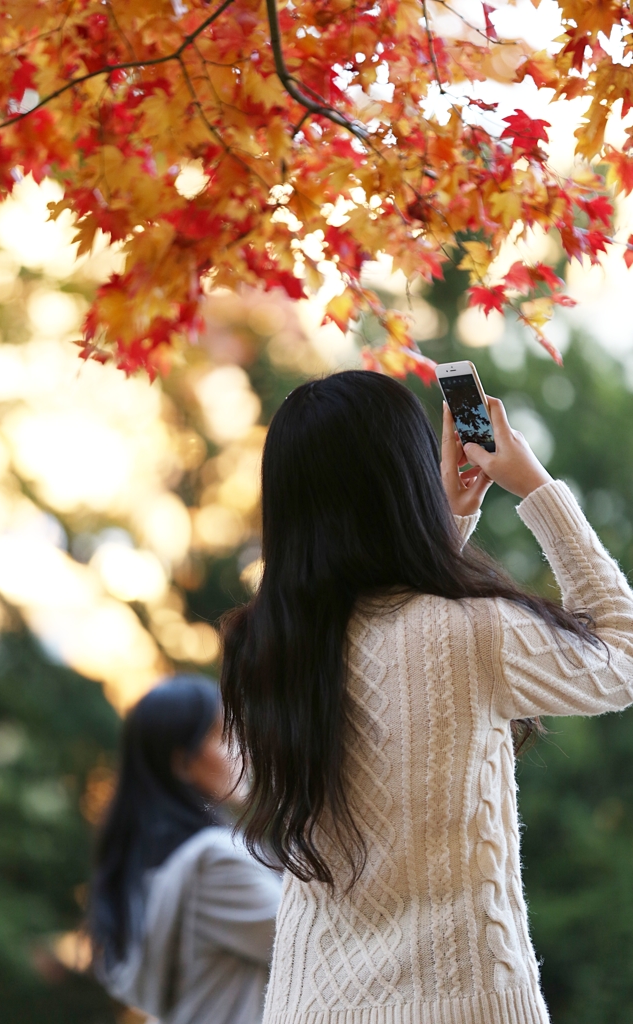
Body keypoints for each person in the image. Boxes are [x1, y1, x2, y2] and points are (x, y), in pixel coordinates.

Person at [220, 370, 633, 1024]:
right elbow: (621, 661)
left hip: (306, 1006)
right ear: (403, 476)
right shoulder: (474, 633)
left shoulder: (260, 651)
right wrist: (536, 489)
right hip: (464, 1005)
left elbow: (393, 658)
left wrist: (446, 527)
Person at [88, 675, 282, 1024]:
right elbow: (320, 943)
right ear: (183, 763)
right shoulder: (212, 862)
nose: (243, 748)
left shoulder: (161, 866)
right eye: (224, 735)